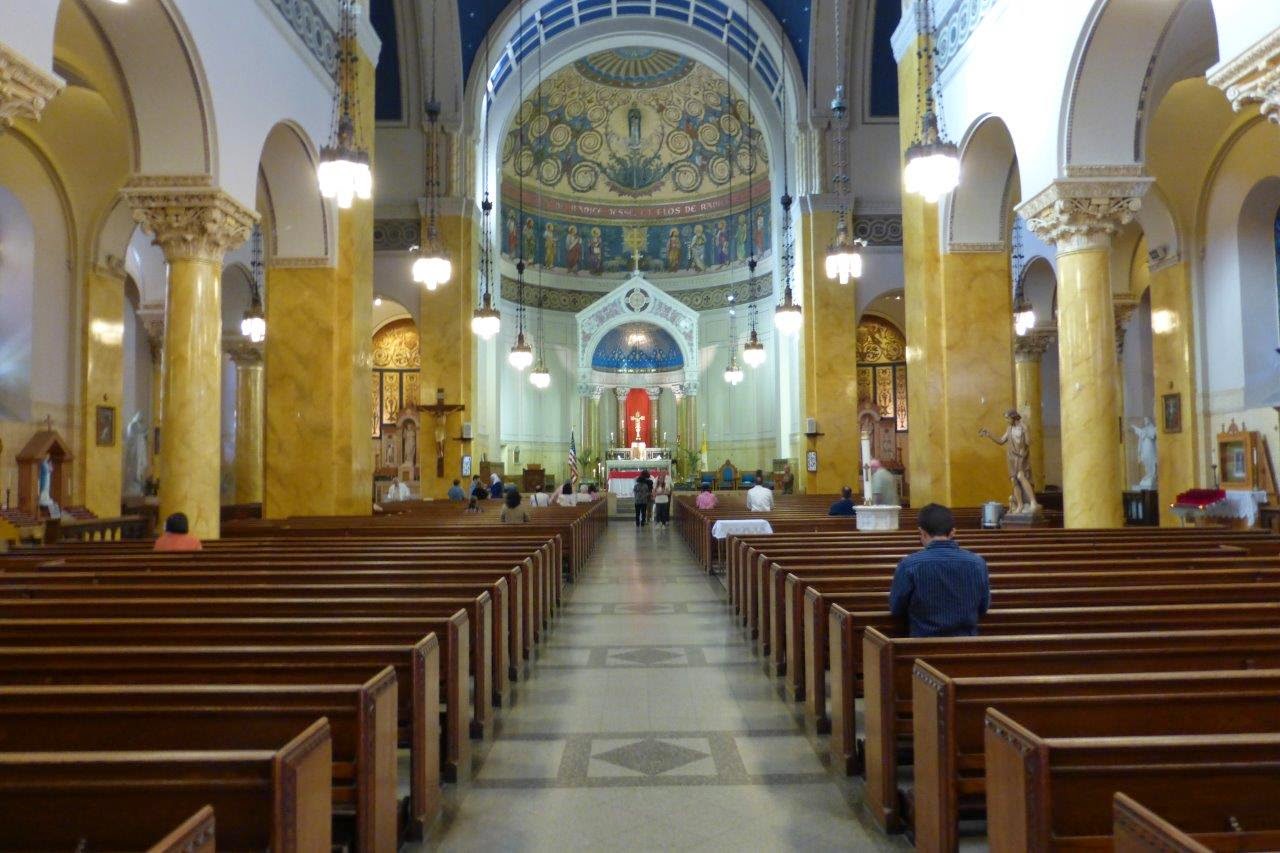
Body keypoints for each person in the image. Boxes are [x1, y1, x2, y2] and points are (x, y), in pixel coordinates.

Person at [888, 503, 990, 638]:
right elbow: (983, 607)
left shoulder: (909, 564)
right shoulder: (978, 563)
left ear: (922, 532)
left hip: (922, 647)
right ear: (953, 532)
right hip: (967, 646)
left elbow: (896, 609)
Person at [979, 409, 1038, 514]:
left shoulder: (1023, 428)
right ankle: (1019, 505)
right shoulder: (1009, 428)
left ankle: (1033, 501)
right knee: (1014, 481)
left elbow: (1028, 442)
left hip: (1021, 457)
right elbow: (1001, 441)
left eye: (1007, 418)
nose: (1006, 420)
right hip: (1011, 458)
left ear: (1014, 417)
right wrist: (989, 435)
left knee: (1021, 476)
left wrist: (1025, 430)